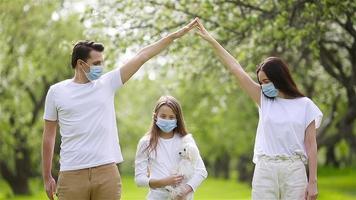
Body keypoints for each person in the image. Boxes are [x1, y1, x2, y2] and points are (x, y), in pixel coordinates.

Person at [41, 18, 198, 200]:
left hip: (107, 172)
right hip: (71, 174)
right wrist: (47, 176)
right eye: (96, 63)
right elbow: (49, 136)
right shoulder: (56, 92)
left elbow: (142, 56)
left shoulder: (107, 83)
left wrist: (174, 36)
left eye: (102, 62)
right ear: (80, 64)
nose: (101, 67)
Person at [195, 19, 322, 200]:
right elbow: (235, 68)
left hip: (294, 170)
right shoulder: (263, 100)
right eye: (261, 82)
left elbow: (311, 145)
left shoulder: (305, 105)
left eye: (267, 81)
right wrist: (211, 40)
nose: (263, 86)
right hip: (265, 169)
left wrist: (313, 181)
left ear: (280, 78)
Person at [135, 95, 208, 200]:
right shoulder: (146, 142)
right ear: (156, 117)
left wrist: (184, 191)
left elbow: (201, 171)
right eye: (163, 116)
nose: (167, 120)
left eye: (171, 117)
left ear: (177, 119)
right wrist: (163, 182)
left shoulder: (186, 140)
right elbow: (139, 179)